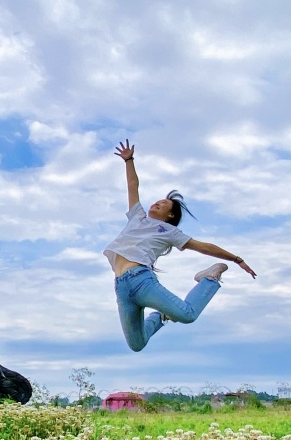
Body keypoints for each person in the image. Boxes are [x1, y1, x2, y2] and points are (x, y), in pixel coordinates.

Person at [104, 140, 256, 352]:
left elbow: (203, 246)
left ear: (171, 215)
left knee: (187, 314)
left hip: (141, 281)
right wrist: (128, 161)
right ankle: (161, 315)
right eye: (157, 201)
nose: (157, 203)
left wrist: (236, 259)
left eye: (163, 204)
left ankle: (209, 279)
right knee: (137, 344)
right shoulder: (137, 217)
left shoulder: (169, 232)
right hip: (121, 286)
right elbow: (132, 186)